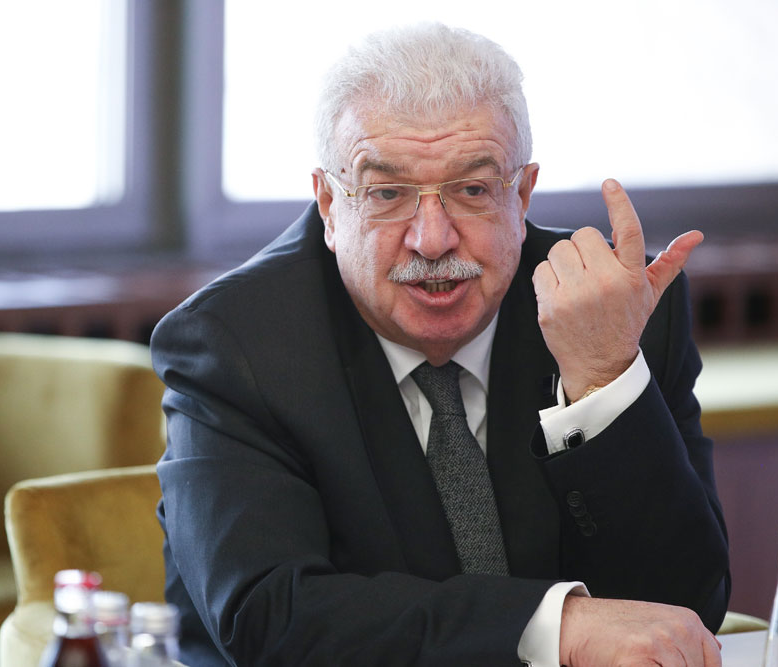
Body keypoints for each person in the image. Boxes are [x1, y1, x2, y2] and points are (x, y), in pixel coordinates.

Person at [151, 22, 730, 667]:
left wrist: (602, 376)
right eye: (387, 193)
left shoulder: (611, 314)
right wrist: (553, 626)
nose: (432, 240)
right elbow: (271, 619)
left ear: (522, 194)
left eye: (472, 189)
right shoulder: (235, 343)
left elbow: (684, 608)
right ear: (329, 204)